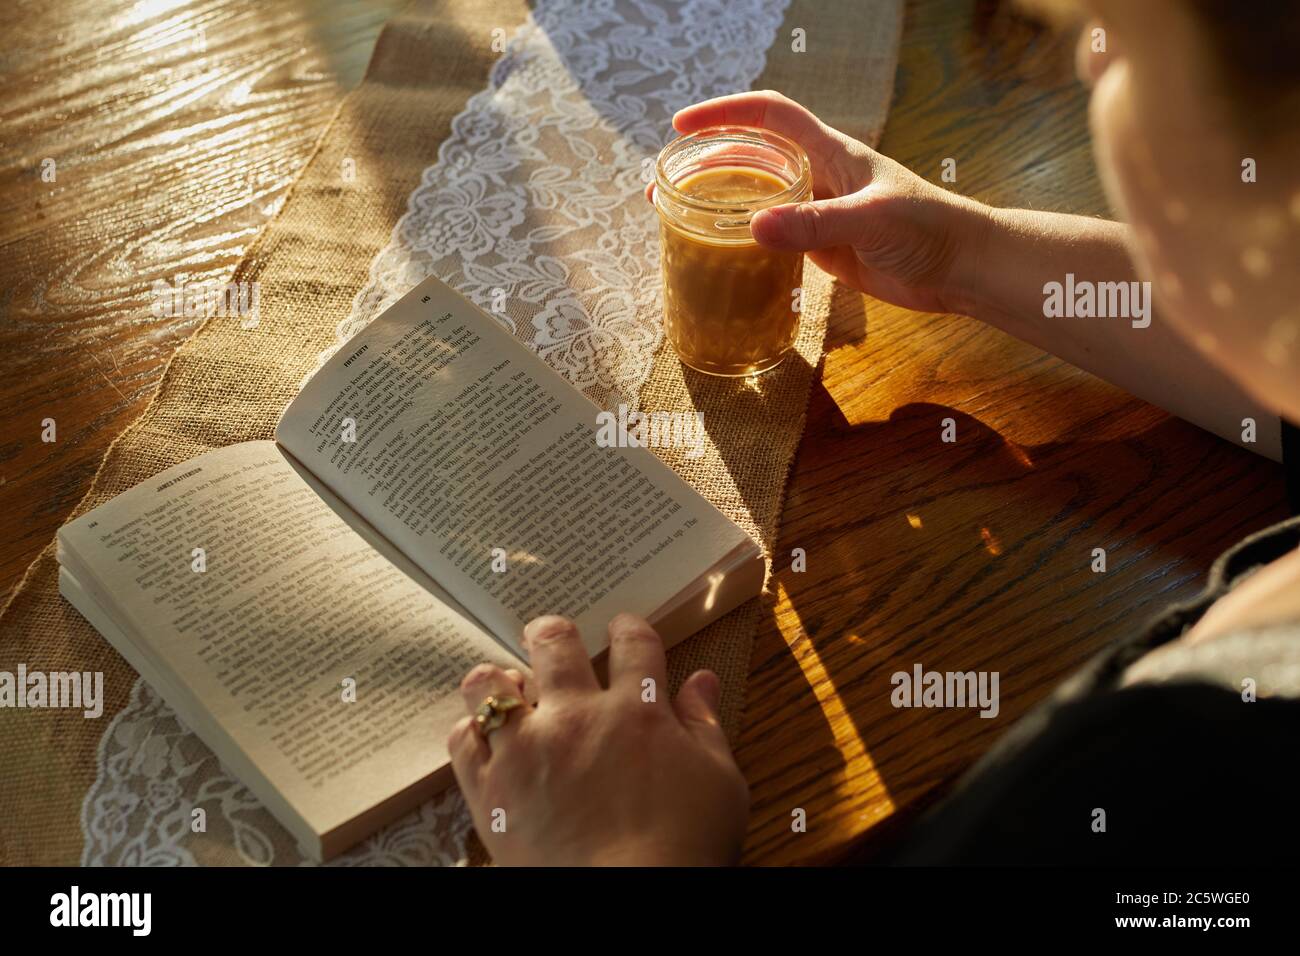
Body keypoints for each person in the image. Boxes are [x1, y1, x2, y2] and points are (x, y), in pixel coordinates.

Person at [447, 0, 1300, 865]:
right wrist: (959, 256)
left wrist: (626, 851)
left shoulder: (1204, 764)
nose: (1088, 68)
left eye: (1114, 51)